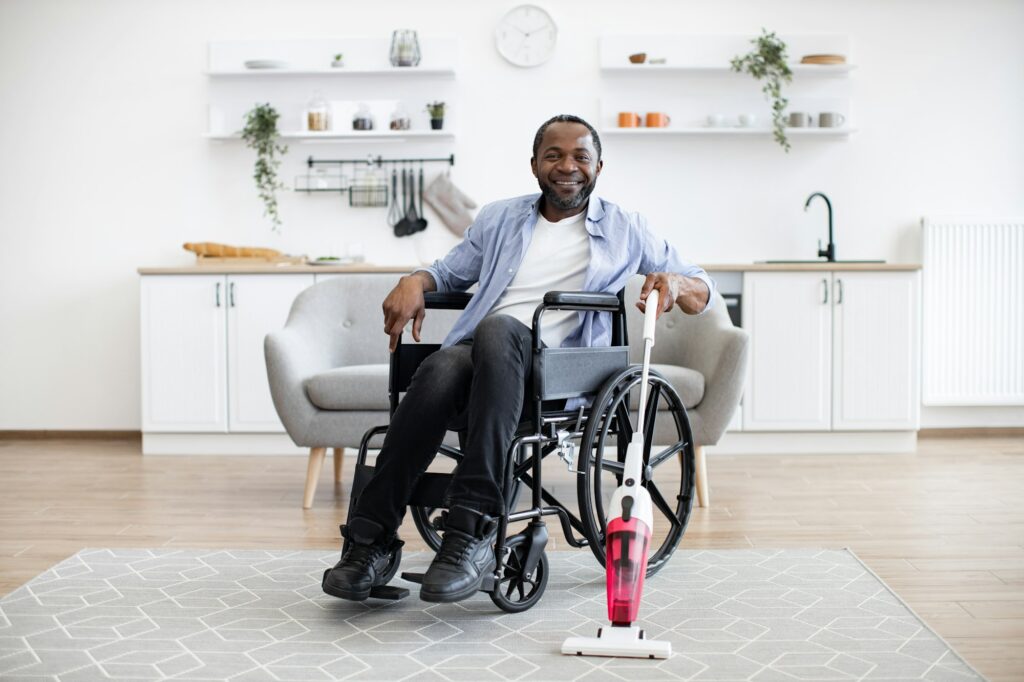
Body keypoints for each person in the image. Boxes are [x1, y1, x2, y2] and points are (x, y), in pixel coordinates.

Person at [322, 114, 715, 603]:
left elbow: (702, 289)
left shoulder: (626, 227)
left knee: (496, 328)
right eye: (553, 155)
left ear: (598, 166)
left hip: (561, 370)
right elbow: (448, 272)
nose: (566, 166)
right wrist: (414, 281)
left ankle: (472, 529)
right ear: (534, 165)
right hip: (483, 362)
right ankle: (370, 541)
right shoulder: (499, 218)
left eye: (580, 156)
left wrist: (676, 282)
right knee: (442, 366)